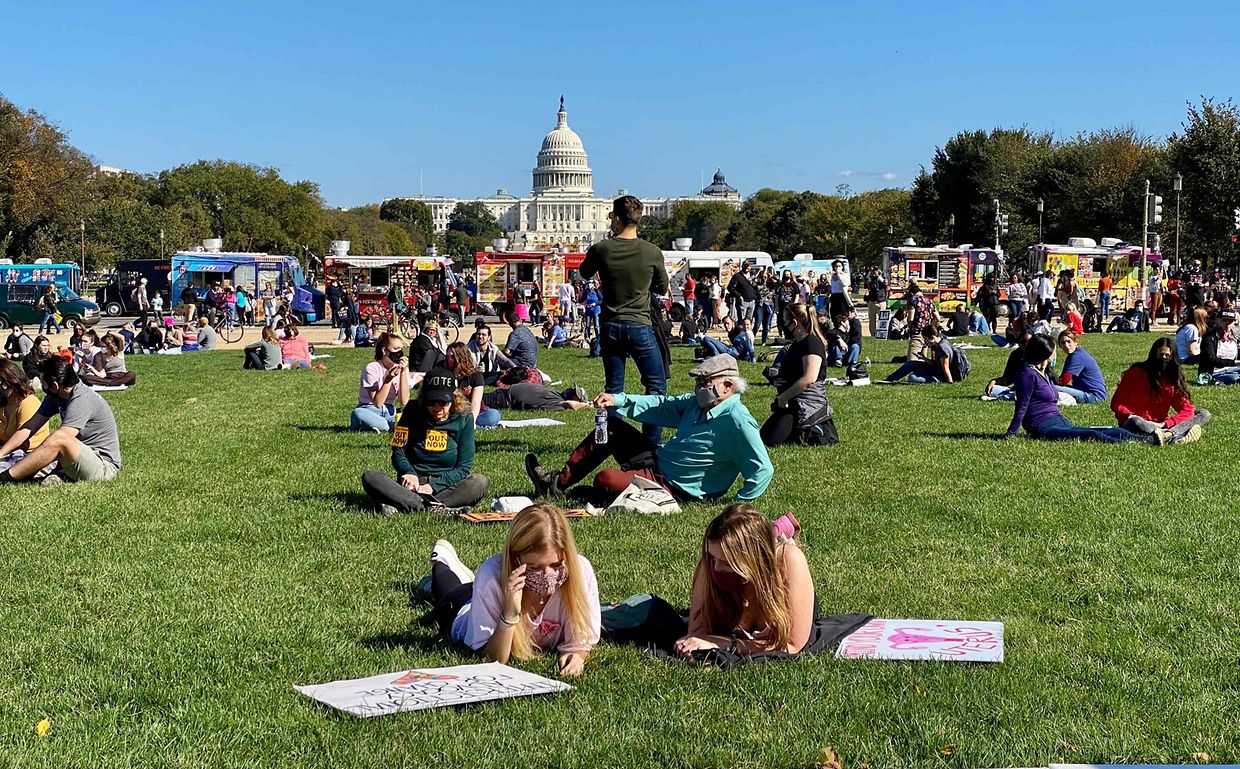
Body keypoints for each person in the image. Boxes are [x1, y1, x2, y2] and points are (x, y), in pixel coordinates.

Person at [525, 354, 773, 503]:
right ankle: (556, 484)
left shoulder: (738, 420)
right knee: (610, 427)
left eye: (703, 382)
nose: (698, 387)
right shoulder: (698, 403)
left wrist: (738, 506)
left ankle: (596, 493)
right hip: (657, 460)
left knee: (606, 479)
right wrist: (618, 399)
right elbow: (661, 406)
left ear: (727, 386)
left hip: (675, 488)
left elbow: (762, 470)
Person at [427, 504, 600, 677]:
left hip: (481, 590)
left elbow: (582, 640)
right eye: (534, 567)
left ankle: (464, 576)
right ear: (515, 558)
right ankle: (441, 562)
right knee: (445, 590)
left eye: (556, 565)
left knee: (469, 585)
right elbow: (493, 659)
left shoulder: (579, 569)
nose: (548, 575)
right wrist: (509, 613)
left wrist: (578, 654)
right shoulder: (490, 575)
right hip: (459, 607)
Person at [580, 195, 670, 445]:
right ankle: (651, 443)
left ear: (617, 218)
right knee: (655, 386)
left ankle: (613, 441)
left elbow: (584, 271)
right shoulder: (651, 251)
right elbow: (662, 288)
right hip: (640, 323)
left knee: (613, 390)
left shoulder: (603, 248)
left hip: (610, 324)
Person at [671, 503, 815, 659]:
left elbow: (792, 646)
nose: (717, 568)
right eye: (714, 559)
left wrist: (726, 644)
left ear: (753, 561)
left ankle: (774, 533)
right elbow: (697, 635)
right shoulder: (708, 564)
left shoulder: (789, 561)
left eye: (726, 563)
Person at [360, 368, 489, 515]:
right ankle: (436, 509)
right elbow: (398, 450)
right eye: (431, 402)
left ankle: (408, 505)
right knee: (370, 477)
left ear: (454, 398)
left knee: (480, 482)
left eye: (443, 402)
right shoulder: (411, 410)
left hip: (447, 484)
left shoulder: (464, 417)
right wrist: (408, 472)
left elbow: (463, 467)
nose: (437, 408)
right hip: (412, 483)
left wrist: (432, 487)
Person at [1003, 334, 1164, 445]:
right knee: (1090, 435)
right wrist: (1011, 433)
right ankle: (1138, 442)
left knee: (1106, 429)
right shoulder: (1027, 374)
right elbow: (1021, 405)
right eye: (1054, 349)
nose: (1056, 353)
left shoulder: (1044, 372)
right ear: (1045, 353)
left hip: (1057, 419)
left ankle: (1146, 438)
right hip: (1041, 426)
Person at [0, 356, 123, 485]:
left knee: (59, 437)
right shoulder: (56, 395)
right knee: (28, 466)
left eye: (43, 383)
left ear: (55, 385)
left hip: (103, 466)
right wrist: (2, 453)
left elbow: (61, 441)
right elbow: (30, 426)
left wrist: (13, 472)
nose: (41, 386)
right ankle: (60, 475)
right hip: (74, 459)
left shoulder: (81, 399)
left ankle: (5, 478)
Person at [1112, 338, 1209, 444]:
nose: (1163, 359)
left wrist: (1166, 424)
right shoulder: (1135, 373)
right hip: (1136, 423)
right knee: (1136, 421)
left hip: (1161, 425)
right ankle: (1177, 435)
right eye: (1160, 355)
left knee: (1204, 414)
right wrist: (1129, 415)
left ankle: (1168, 434)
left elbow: (1187, 409)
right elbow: (1117, 403)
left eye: (1167, 356)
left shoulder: (1172, 379)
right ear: (1154, 354)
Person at [762, 305, 833, 447]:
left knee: (770, 440)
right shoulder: (797, 344)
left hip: (807, 406)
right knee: (763, 437)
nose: (784, 327)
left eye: (785, 322)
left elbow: (809, 379)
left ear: (794, 323)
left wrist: (783, 397)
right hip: (791, 403)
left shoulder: (812, 343)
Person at [349, 332, 413, 432]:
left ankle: (374, 427)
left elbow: (404, 401)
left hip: (389, 411)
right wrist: (388, 380)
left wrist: (403, 372)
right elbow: (377, 403)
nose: (399, 353)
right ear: (384, 351)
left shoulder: (401, 369)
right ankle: (381, 426)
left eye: (401, 349)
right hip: (369, 409)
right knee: (358, 413)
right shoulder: (372, 368)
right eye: (396, 349)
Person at [0, 359, 49, 473]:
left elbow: (23, 438)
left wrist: (1, 452)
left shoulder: (28, 402)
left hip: (27, 454)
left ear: (6, 383)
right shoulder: (3, 403)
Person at [446, 341, 501, 428]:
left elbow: (476, 402)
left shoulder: (475, 375)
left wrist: (472, 421)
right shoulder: (445, 374)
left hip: (472, 411)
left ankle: (466, 425)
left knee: (493, 415)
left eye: (452, 356)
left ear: (461, 357)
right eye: (447, 356)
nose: (449, 359)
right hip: (450, 411)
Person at [882, 326, 961, 384]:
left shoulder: (942, 348)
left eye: (926, 339)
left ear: (932, 337)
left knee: (912, 377)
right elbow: (935, 363)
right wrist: (924, 358)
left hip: (940, 376)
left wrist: (949, 382)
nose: (925, 341)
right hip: (935, 370)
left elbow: (945, 367)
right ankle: (890, 378)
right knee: (911, 364)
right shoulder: (937, 344)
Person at [1053, 330, 1106, 404]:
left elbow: (1065, 379)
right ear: (1060, 346)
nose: (1066, 345)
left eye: (1069, 341)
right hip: (1093, 393)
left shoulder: (1077, 356)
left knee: (1050, 388)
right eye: (1063, 343)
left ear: (1075, 342)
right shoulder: (1077, 353)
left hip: (1093, 396)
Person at [985, 323, 1033, 399]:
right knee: (993, 389)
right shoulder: (1015, 355)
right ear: (1019, 343)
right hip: (1019, 389)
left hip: (1040, 387)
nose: (1026, 345)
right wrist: (994, 381)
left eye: (1029, 342)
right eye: (1023, 342)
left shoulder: (1039, 354)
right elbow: (1007, 378)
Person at [1198, 308, 1240, 383]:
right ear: (1218, 320)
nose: (1227, 323)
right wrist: (1234, 362)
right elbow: (1211, 359)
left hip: (1232, 369)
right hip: (1214, 372)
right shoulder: (1209, 337)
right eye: (1224, 320)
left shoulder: (1235, 338)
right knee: (1234, 378)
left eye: (1230, 321)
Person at [904, 281, 939, 362]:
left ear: (912, 293)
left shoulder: (913, 300)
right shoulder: (930, 301)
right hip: (928, 333)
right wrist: (931, 326)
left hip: (917, 332)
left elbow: (910, 318)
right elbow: (937, 317)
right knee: (922, 359)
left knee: (912, 359)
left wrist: (910, 326)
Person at [863, 267, 888, 338]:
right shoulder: (871, 279)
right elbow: (866, 282)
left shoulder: (882, 279)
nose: (874, 272)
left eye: (876, 271)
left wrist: (878, 277)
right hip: (872, 302)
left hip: (881, 302)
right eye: (873, 271)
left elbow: (885, 285)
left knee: (882, 320)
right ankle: (872, 335)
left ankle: (882, 335)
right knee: (872, 321)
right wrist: (869, 274)